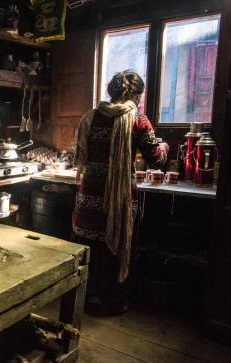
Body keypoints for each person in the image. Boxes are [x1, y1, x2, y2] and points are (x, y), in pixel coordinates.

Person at [71, 70, 168, 316]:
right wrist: (164, 147)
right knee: (115, 248)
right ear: (134, 94)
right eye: (140, 96)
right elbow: (156, 160)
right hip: (118, 201)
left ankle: (83, 297)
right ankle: (112, 302)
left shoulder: (90, 117)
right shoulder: (137, 120)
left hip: (88, 197)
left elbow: (79, 155)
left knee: (87, 246)